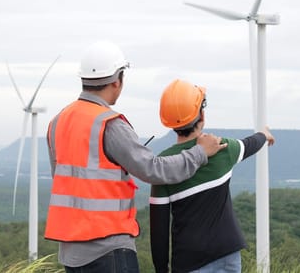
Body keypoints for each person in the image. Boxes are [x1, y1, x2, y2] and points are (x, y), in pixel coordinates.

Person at [44, 41, 227, 273]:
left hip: (72, 254)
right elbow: (154, 170)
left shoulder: (57, 122)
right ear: (117, 80)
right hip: (108, 250)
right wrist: (200, 152)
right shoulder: (108, 124)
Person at [150, 79, 275, 273]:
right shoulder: (222, 148)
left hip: (189, 260)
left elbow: (159, 229)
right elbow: (250, 144)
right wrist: (264, 135)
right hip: (228, 255)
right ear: (201, 115)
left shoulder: (162, 165)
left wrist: (161, 268)